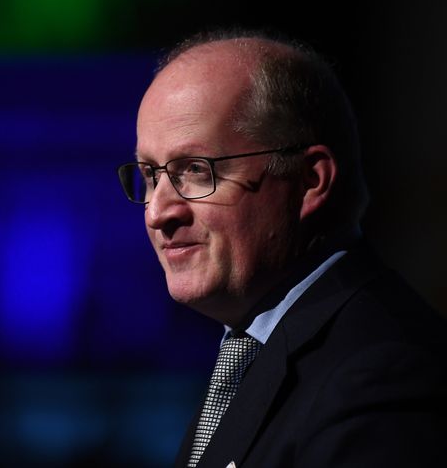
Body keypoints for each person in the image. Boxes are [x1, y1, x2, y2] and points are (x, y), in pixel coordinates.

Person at [117, 28, 446, 467]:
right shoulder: (254, 349)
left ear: (310, 182)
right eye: (151, 175)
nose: (158, 212)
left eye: (195, 170)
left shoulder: (381, 375)